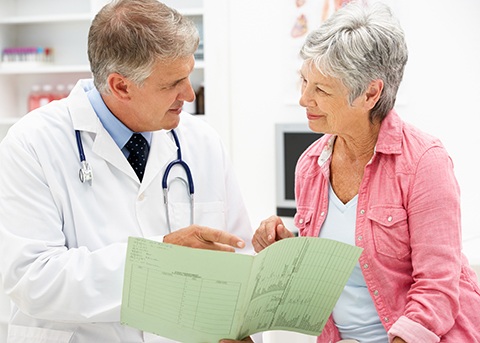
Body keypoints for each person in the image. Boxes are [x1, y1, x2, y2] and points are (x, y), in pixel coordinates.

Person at [0, 1, 259, 342]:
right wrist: (159, 260)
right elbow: (34, 280)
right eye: (172, 83)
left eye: (189, 75)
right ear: (121, 86)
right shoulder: (32, 143)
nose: (189, 94)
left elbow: (235, 254)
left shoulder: (202, 141)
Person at [229, 1, 480, 343]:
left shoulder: (424, 162)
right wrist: (289, 251)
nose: (304, 98)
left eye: (321, 89)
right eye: (304, 81)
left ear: (370, 93)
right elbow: (333, 274)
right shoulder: (310, 164)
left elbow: (438, 288)